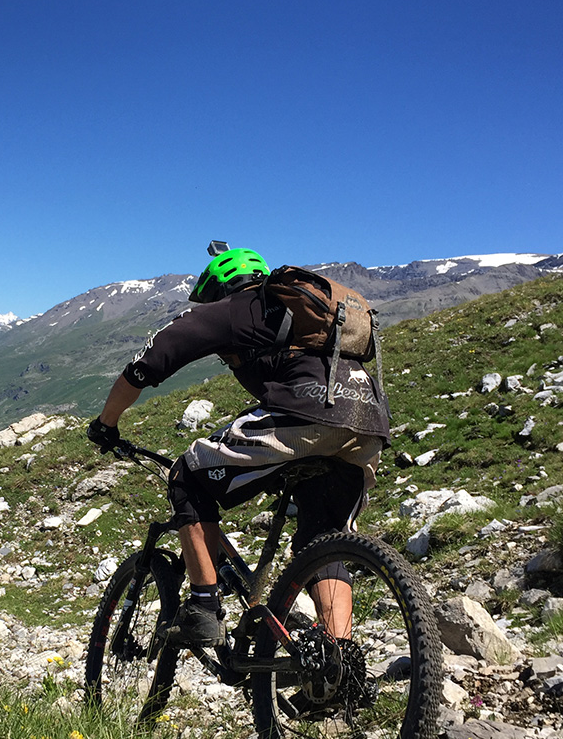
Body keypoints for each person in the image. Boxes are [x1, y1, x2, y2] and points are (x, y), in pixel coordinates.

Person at [86, 246, 390, 647]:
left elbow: (146, 365)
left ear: (218, 289)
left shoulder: (234, 307)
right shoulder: (301, 317)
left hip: (305, 413)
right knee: (323, 537)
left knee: (187, 476)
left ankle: (203, 608)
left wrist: (107, 423)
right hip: (367, 422)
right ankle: (336, 664)